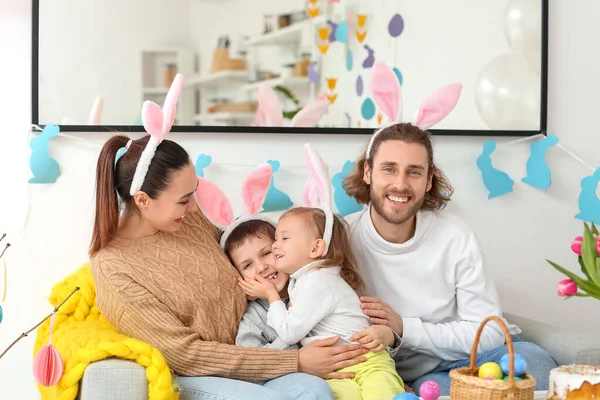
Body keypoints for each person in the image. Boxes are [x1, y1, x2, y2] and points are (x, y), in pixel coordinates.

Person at [89, 76, 367, 400]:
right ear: (143, 200)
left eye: (194, 194)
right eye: (183, 200)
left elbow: (255, 249)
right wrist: (295, 360)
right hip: (195, 374)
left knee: (315, 391)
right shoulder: (114, 268)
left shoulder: (188, 222)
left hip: (262, 347)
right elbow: (185, 355)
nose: (195, 207)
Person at [342, 122, 558, 396]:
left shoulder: (455, 235)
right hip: (390, 373)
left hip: (461, 362)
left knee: (536, 365)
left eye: (414, 172)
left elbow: (489, 333)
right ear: (368, 172)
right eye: (389, 169)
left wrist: (403, 327)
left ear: (428, 180)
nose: (400, 183)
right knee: (439, 391)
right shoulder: (341, 239)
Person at [234, 145, 405, 400]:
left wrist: (389, 335)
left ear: (315, 248)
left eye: (274, 246)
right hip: (332, 374)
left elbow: (297, 331)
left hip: (365, 362)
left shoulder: (318, 281)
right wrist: (297, 360)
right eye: (247, 265)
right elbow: (249, 363)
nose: (263, 265)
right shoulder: (258, 313)